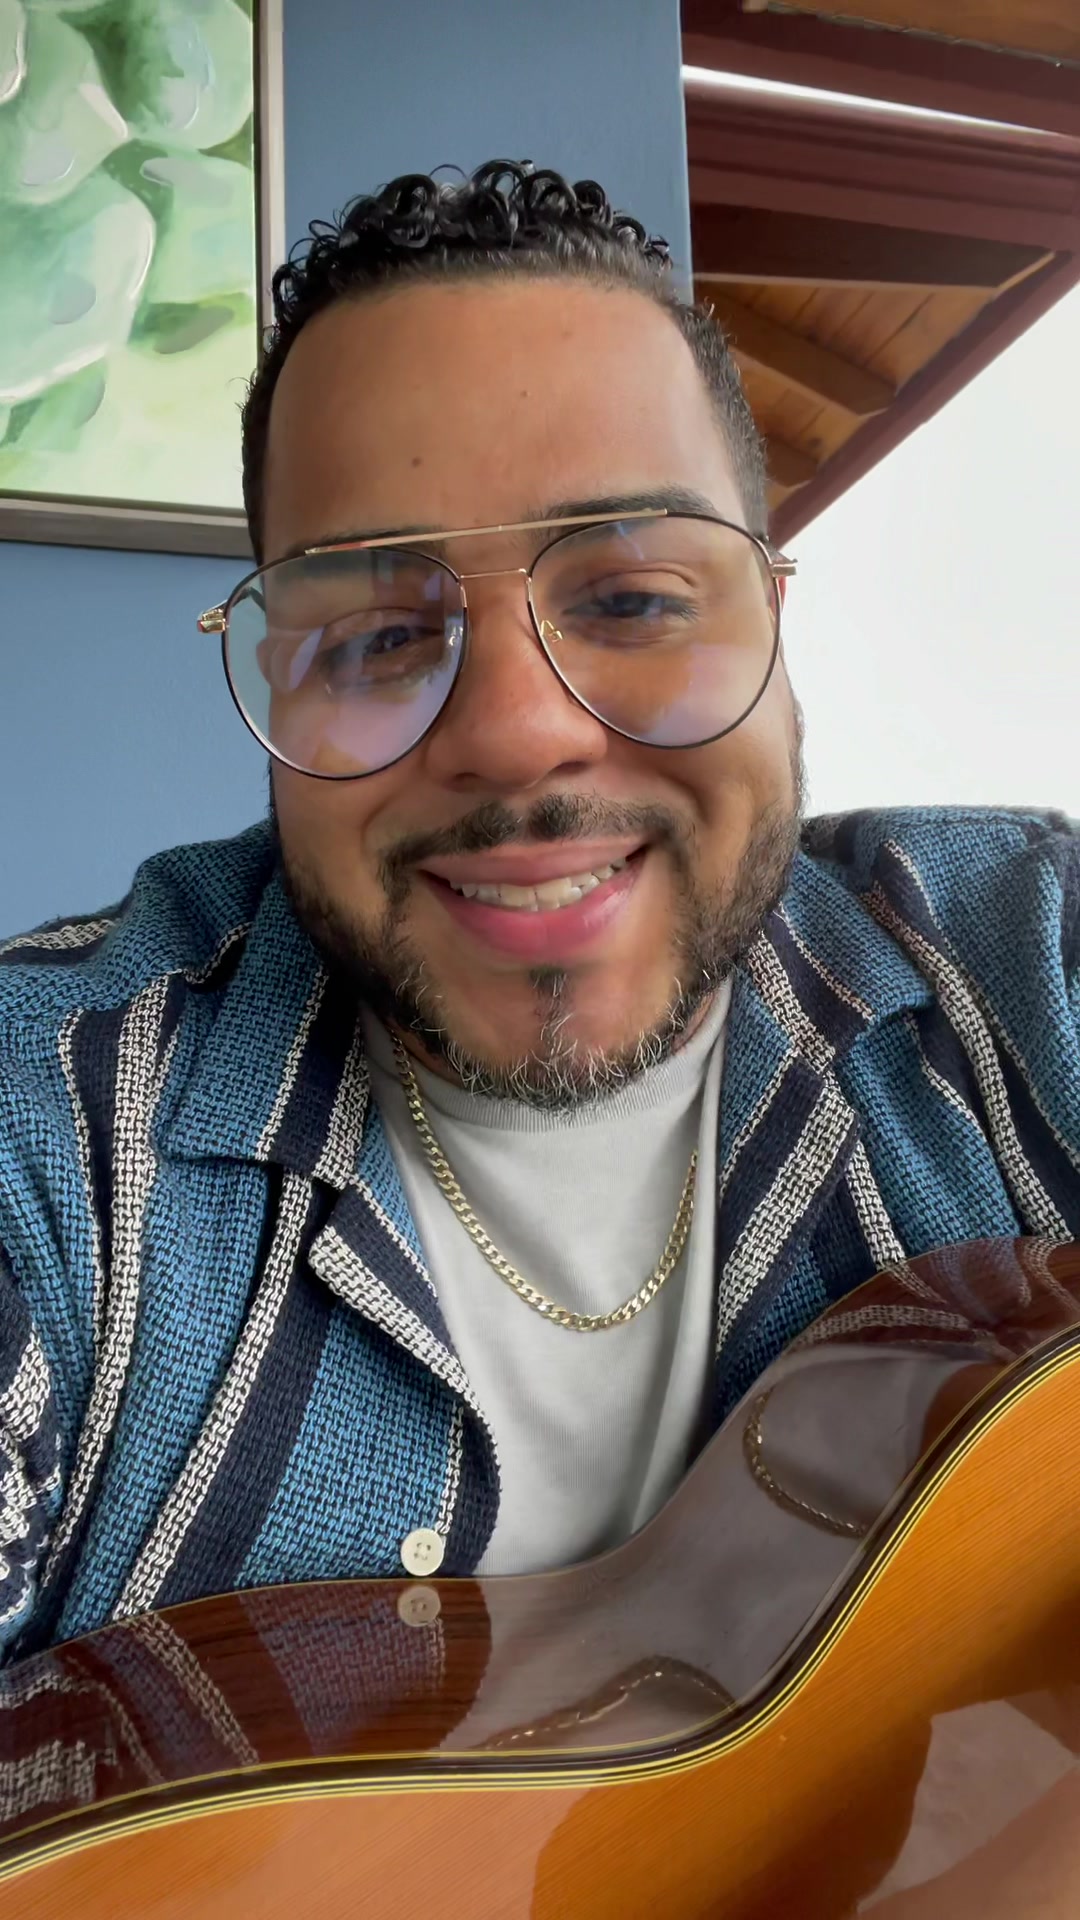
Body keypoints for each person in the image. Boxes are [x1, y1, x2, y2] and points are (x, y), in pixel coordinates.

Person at [0, 159, 1077, 1670]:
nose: (515, 735)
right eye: (379, 633)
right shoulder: (50, 1129)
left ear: (773, 622)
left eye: (632, 600)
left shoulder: (1029, 965)